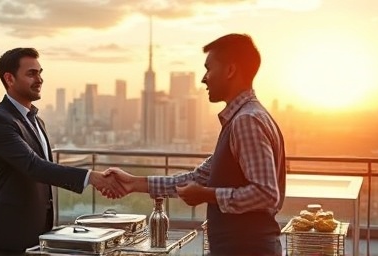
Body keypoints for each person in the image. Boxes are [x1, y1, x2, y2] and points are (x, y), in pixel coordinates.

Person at [106, 34, 286, 255]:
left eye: (209, 69)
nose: (204, 78)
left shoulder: (246, 121)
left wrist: (207, 195)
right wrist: (135, 183)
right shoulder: (242, 119)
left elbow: (266, 193)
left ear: (230, 71)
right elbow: (196, 179)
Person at [0, 47, 124, 255]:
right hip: (13, 234)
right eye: (31, 73)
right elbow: (33, 166)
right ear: (9, 79)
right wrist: (91, 177)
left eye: (40, 72)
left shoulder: (37, 120)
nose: (39, 79)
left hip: (41, 231)